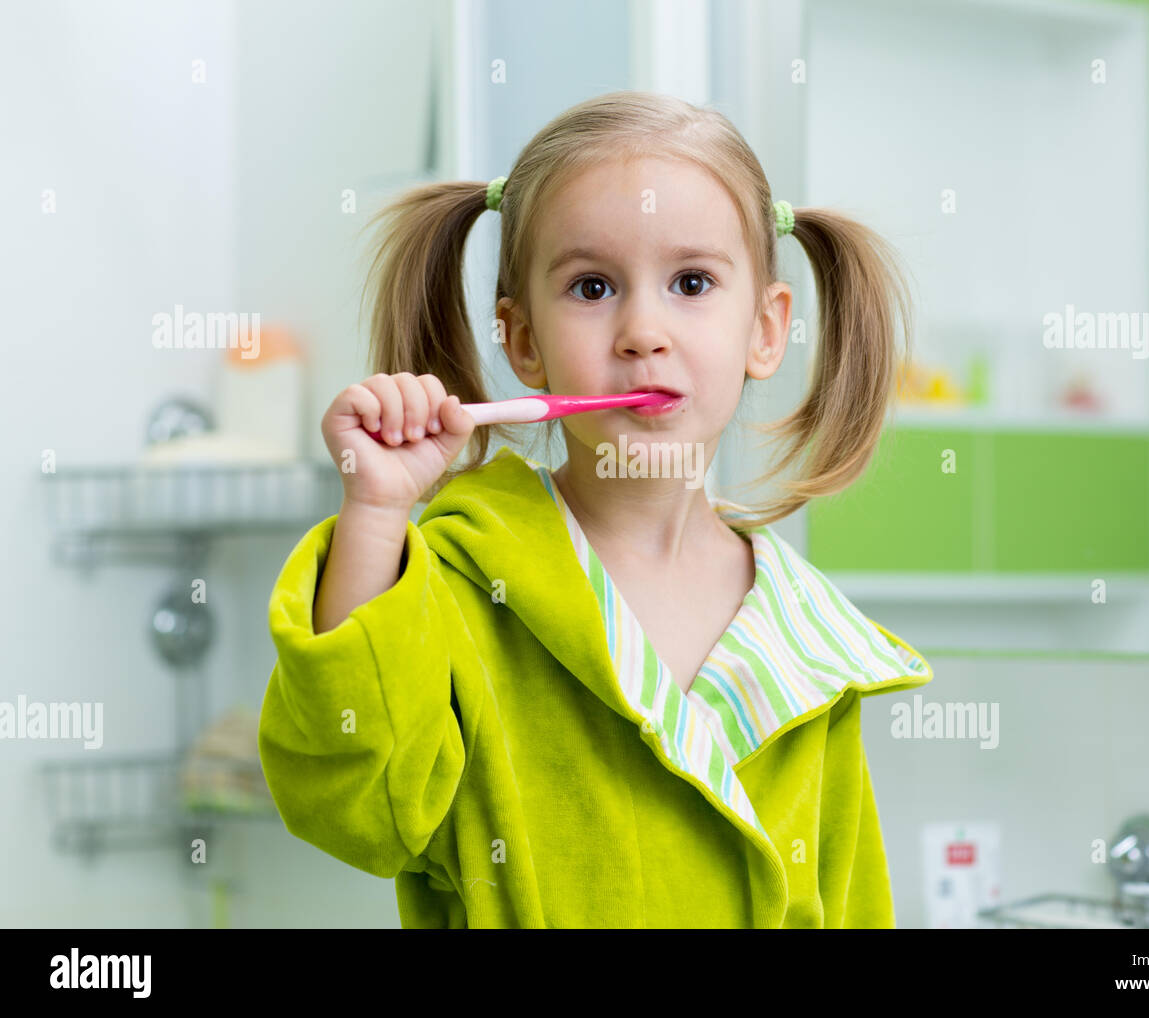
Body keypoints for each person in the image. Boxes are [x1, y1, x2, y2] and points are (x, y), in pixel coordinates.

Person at [258, 90, 933, 928]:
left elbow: (853, 906)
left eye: (691, 282)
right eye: (592, 287)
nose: (642, 330)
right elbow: (353, 807)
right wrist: (373, 515)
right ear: (524, 341)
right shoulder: (461, 587)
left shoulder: (811, 648)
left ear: (766, 330)